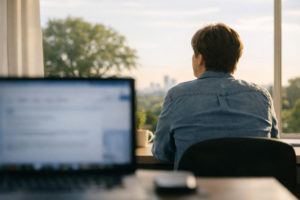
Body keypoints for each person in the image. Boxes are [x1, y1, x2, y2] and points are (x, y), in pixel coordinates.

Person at [151, 23, 278, 170]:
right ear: (236, 59)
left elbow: (161, 153)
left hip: (194, 192)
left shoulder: (176, 96)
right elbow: (273, 147)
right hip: (250, 192)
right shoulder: (262, 96)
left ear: (200, 59)